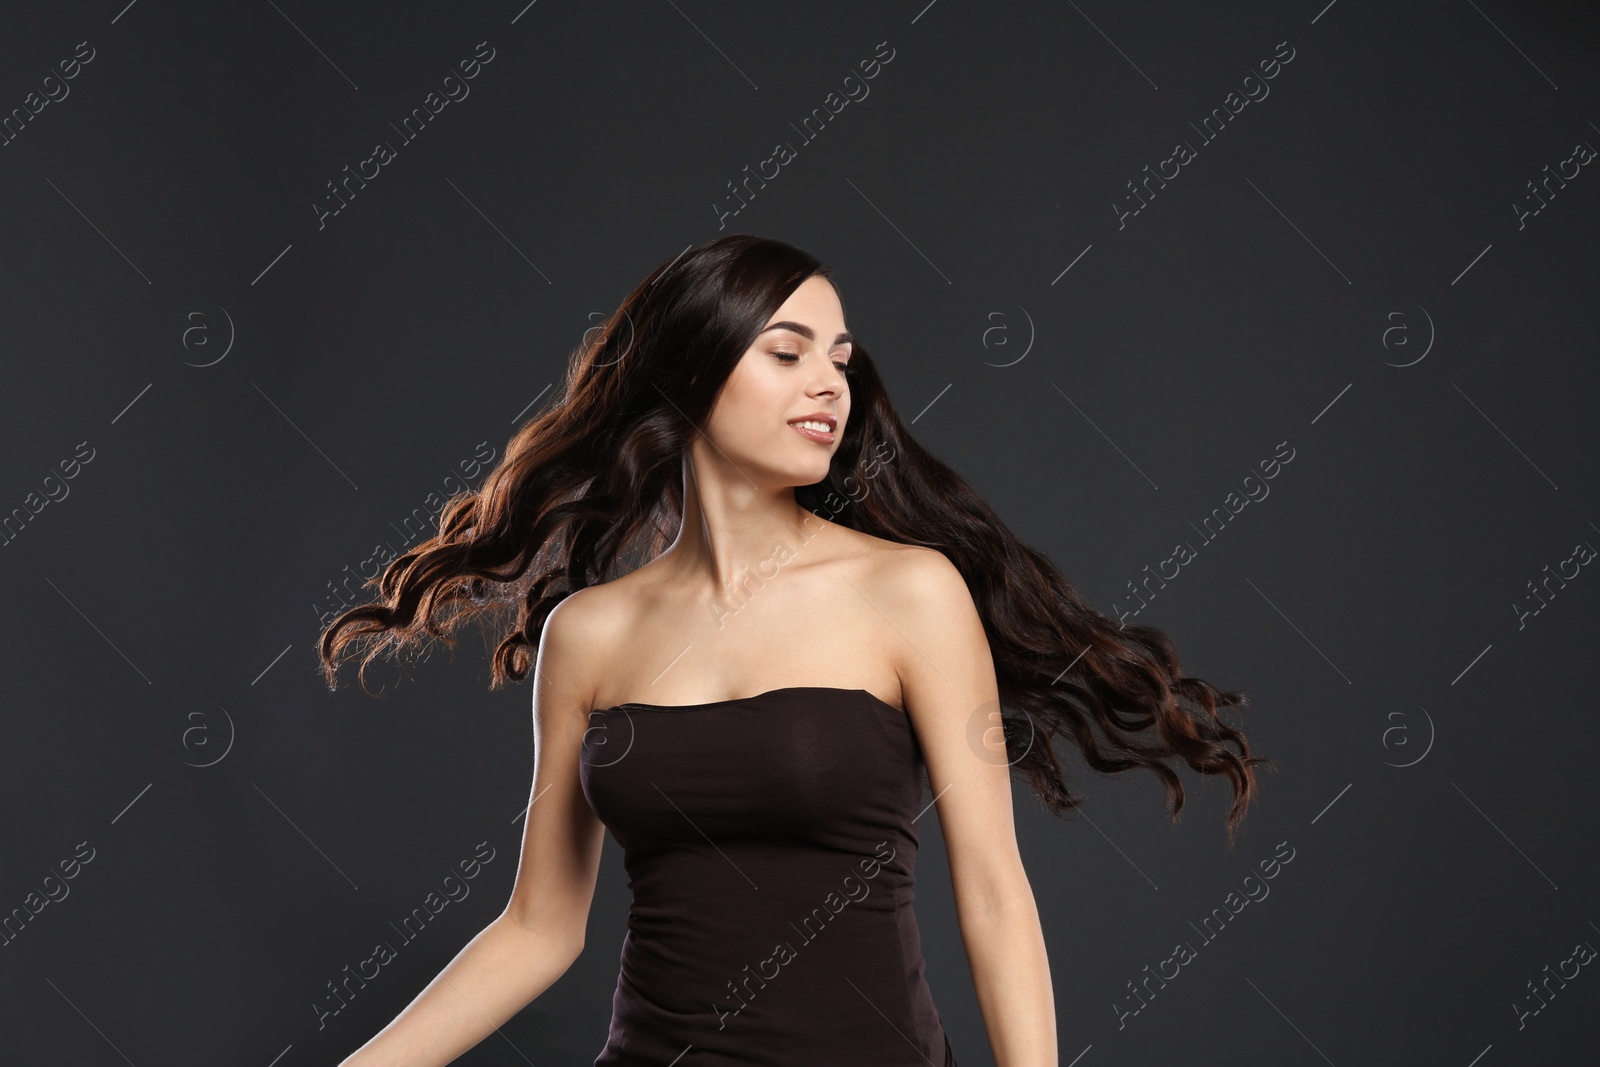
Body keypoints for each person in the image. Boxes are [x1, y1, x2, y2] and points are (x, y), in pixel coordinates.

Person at [319, 233, 1269, 1066]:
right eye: (787, 351)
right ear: (688, 374)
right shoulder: (589, 633)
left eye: (842, 359)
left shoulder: (910, 592)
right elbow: (538, 928)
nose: (830, 384)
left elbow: (993, 890)